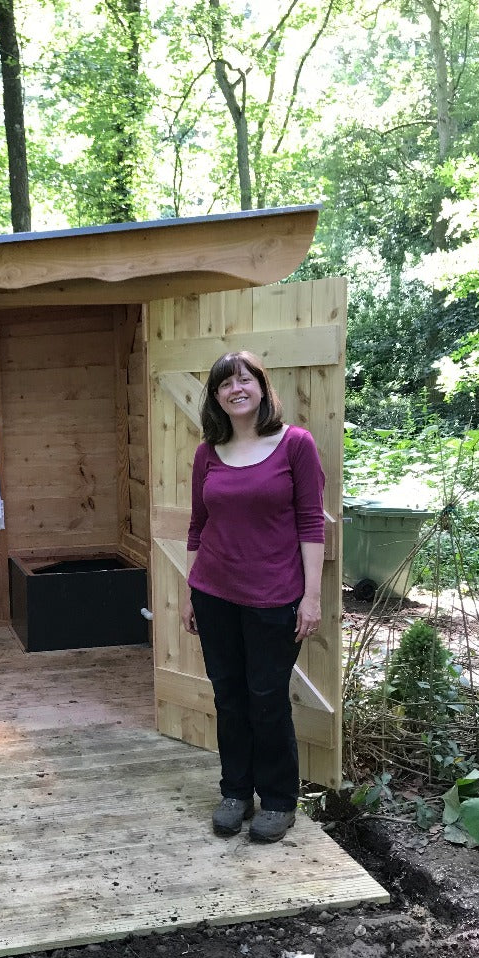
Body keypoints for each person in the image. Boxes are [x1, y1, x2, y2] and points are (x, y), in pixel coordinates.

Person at [181, 349, 325, 843]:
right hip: (214, 594)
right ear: (216, 397)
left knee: (267, 700)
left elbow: (311, 524)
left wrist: (311, 597)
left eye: (245, 380)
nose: (235, 389)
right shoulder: (207, 453)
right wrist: (188, 591)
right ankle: (236, 793)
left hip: (275, 599)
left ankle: (280, 800)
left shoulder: (295, 445)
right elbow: (198, 527)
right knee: (229, 698)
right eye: (225, 384)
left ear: (262, 388)